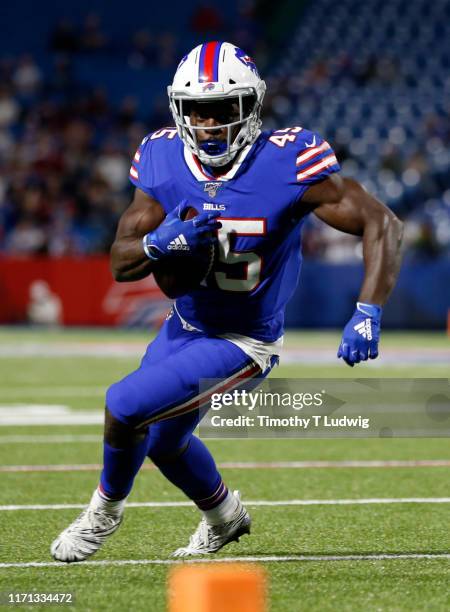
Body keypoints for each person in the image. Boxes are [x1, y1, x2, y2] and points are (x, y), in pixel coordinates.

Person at [51, 41, 403, 562]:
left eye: (221, 109)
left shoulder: (288, 159)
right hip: (185, 323)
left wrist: (368, 309)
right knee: (166, 444)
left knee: (124, 406)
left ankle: (103, 511)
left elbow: (382, 222)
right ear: (178, 109)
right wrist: (159, 242)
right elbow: (122, 262)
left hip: (244, 340)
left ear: (251, 106)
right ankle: (224, 518)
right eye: (196, 109)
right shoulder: (162, 155)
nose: (208, 123)